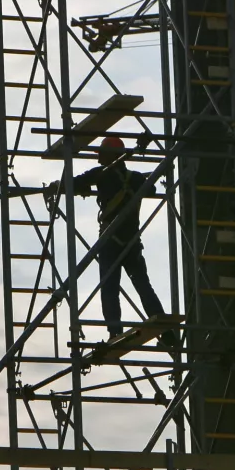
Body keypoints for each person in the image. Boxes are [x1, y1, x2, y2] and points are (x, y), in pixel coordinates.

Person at [46, 136, 175, 346]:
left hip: (110, 241)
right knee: (143, 285)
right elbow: (150, 190)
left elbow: (74, 183)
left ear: (112, 155)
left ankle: (115, 332)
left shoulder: (101, 175)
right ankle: (166, 332)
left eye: (102, 153)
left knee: (109, 288)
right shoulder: (134, 178)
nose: (98, 157)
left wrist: (58, 186)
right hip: (132, 242)